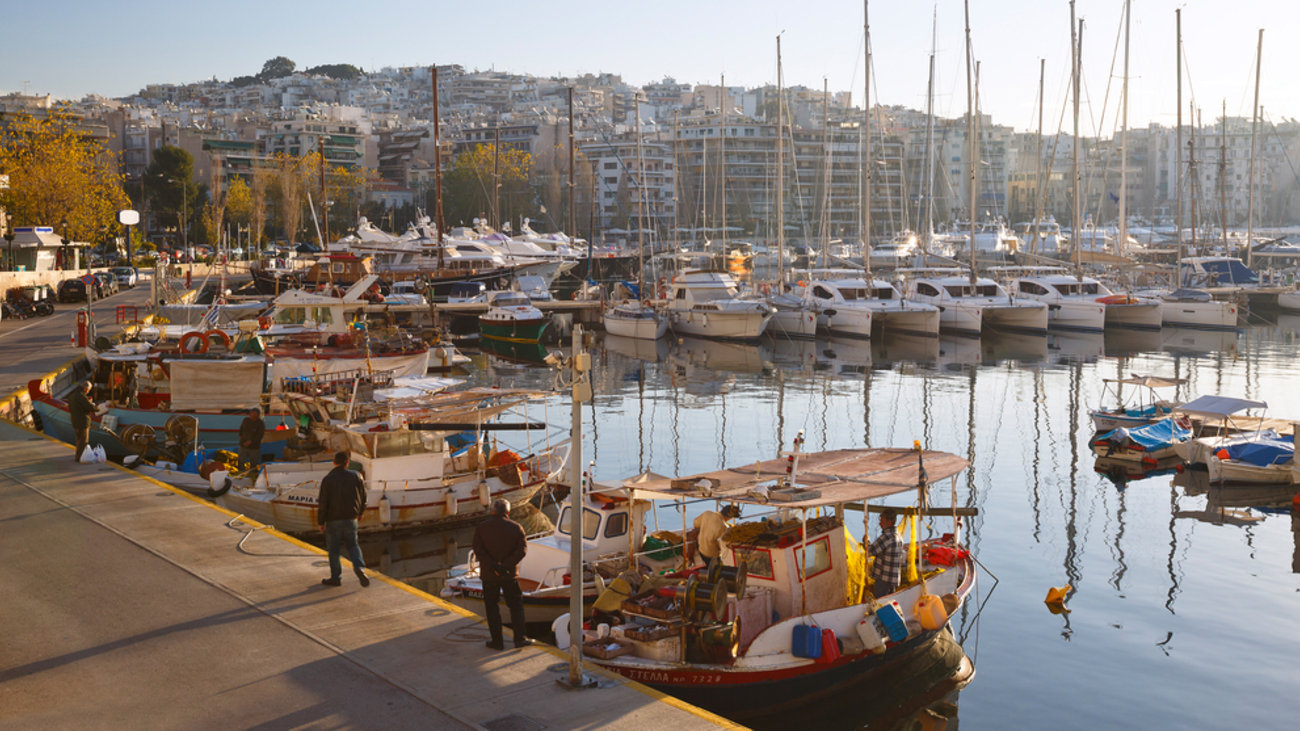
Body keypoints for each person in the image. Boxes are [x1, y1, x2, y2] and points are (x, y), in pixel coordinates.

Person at [472, 498, 529, 650]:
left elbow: (478, 550)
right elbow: (522, 551)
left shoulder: (481, 527)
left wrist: (493, 566)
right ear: (508, 512)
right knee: (516, 606)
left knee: (492, 607)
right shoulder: (517, 528)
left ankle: (497, 642)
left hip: (489, 575)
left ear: (492, 511)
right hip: (509, 574)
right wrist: (505, 566)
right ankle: (520, 639)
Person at [317, 451, 369, 588]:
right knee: (353, 545)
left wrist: (320, 522)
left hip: (333, 520)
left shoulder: (328, 479)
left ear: (334, 462)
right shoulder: (357, 476)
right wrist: (360, 512)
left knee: (334, 550)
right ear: (347, 463)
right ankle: (359, 568)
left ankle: (336, 578)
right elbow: (364, 497)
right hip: (351, 518)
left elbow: (323, 503)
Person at [869, 509, 905, 597]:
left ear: (889, 523)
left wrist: (866, 540)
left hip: (883, 581)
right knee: (889, 603)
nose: (880, 523)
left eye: (882, 521)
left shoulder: (886, 537)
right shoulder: (899, 537)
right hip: (893, 580)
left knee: (880, 605)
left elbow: (869, 551)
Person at [692, 504, 740, 571]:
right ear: (729, 517)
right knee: (717, 570)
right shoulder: (723, 527)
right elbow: (723, 544)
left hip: (700, 548)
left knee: (709, 566)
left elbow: (695, 523)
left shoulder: (707, 513)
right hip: (711, 554)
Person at [67, 380, 95, 463]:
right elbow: (90, 407)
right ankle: (81, 458)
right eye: (89, 390)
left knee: (78, 440)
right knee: (83, 441)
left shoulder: (72, 395)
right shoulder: (81, 396)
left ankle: (77, 456)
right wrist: (97, 407)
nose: (88, 392)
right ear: (86, 389)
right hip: (83, 421)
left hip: (75, 420)